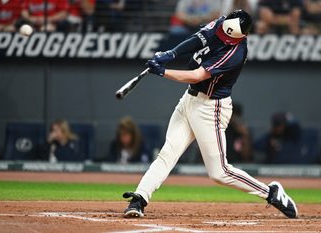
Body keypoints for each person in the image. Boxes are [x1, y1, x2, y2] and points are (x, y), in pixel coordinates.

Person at [122, 10, 298, 219]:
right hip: (189, 100)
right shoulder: (224, 23)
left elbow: (197, 76)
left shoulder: (235, 53)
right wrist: (171, 53)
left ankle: (271, 193)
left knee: (220, 172)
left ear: (243, 36)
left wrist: (163, 72)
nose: (222, 35)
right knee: (167, 153)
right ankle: (139, 200)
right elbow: (198, 39)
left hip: (211, 108)